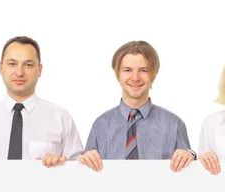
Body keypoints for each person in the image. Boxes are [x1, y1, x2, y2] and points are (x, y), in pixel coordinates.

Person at [0, 36, 82, 168]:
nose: (19, 72)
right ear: (0, 67)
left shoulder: (61, 119)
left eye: (28, 65)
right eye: (12, 64)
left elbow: (79, 172)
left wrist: (60, 166)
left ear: (39, 69)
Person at [80, 40, 194, 172]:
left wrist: (190, 155)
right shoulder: (101, 125)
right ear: (118, 74)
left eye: (144, 70)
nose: (135, 78)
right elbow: (86, 175)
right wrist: (84, 160)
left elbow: (189, 174)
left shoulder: (174, 125)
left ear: (154, 74)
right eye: (127, 70)